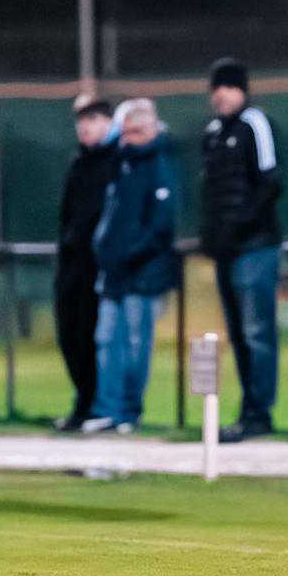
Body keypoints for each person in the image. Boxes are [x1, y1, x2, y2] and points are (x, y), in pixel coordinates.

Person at [83, 99, 180, 434]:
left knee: (136, 344)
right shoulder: (119, 162)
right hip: (114, 272)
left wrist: (130, 253)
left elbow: (162, 223)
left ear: (151, 130)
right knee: (107, 339)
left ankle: (128, 412)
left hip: (143, 271)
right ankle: (107, 409)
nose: (128, 139)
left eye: (136, 132)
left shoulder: (160, 163)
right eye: (125, 132)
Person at [201, 57, 283, 442]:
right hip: (227, 251)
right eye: (217, 88)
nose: (222, 95)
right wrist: (213, 236)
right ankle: (248, 410)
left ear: (243, 91)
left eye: (229, 87)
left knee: (256, 334)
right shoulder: (213, 133)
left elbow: (270, 182)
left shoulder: (255, 123)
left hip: (255, 247)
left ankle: (258, 413)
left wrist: (238, 228)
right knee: (238, 334)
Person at [53, 95, 120, 431]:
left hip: (100, 264)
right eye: (82, 120)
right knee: (70, 334)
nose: (85, 126)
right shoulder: (78, 164)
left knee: (96, 336)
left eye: (93, 119)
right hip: (72, 263)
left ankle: (99, 404)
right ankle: (83, 401)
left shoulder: (118, 161)